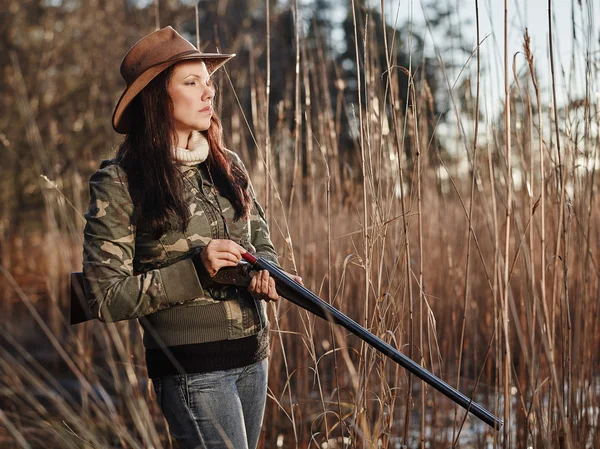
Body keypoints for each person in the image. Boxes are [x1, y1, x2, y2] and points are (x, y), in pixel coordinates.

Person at [82, 26, 301, 449]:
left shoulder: (228, 163)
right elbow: (102, 295)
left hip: (253, 355)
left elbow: (262, 239)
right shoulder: (120, 181)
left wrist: (266, 273)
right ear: (156, 97)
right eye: (191, 82)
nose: (208, 93)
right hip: (192, 368)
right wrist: (197, 270)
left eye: (209, 82)